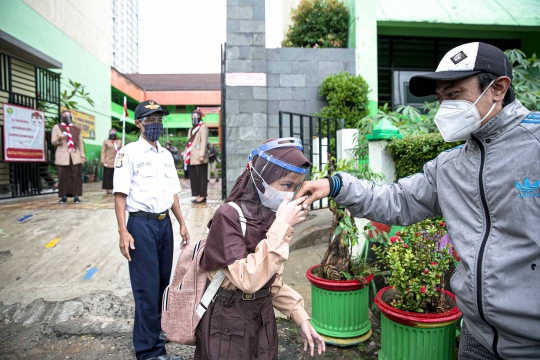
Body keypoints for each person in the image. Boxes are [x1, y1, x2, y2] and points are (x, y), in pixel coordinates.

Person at [294, 42, 540, 359]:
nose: (444, 108)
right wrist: (335, 184)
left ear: (498, 89)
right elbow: (398, 199)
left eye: (454, 95)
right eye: (441, 99)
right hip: (476, 338)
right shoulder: (450, 167)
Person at [195, 137, 326, 359]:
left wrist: (300, 316)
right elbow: (249, 280)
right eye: (286, 185)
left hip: (263, 318)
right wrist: (282, 227)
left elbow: (271, 282)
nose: (289, 194)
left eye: (295, 187)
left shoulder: (271, 217)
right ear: (261, 177)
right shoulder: (228, 216)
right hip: (227, 321)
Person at [113, 99, 190, 360]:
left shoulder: (166, 155)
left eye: (159, 119)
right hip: (140, 225)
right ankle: (149, 353)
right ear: (138, 123)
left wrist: (181, 223)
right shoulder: (128, 153)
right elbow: (120, 195)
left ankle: (152, 341)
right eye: (150, 119)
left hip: (163, 225)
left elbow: (173, 193)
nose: (155, 124)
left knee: (160, 286)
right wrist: (123, 231)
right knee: (145, 289)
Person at [51, 110, 85, 203]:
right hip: (62, 156)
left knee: (76, 176)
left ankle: (76, 196)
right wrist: (59, 138)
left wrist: (82, 155)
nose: (67, 116)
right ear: (62, 116)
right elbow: (53, 142)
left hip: (75, 156)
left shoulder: (76, 129)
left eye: (68, 115)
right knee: (63, 176)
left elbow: (80, 143)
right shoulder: (57, 127)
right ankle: (63, 196)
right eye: (64, 115)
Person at [184, 109, 208, 203]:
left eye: (196, 115)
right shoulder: (191, 129)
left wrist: (201, 155)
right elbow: (188, 143)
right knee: (194, 177)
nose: (194, 117)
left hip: (199, 157)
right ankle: (197, 194)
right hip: (191, 157)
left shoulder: (203, 127)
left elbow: (204, 142)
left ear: (200, 116)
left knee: (201, 177)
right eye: (193, 115)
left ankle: (202, 195)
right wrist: (186, 156)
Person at [101, 128, 122, 194]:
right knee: (108, 175)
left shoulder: (119, 141)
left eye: (114, 133)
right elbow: (103, 151)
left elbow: (121, 150)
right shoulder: (106, 141)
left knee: (115, 175)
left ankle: (115, 188)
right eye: (111, 133)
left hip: (116, 161)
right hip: (108, 160)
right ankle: (108, 189)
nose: (112, 134)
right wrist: (103, 160)